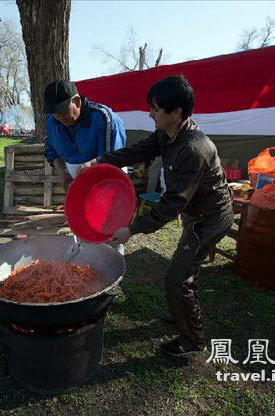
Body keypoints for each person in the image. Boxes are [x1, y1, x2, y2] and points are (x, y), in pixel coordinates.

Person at [81, 75, 234, 359]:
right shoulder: (168, 133)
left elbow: (171, 205)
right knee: (185, 269)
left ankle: (192, 339)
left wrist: (133, 229)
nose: (150, 113)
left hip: (211, 218)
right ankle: (183, 314)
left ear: (175, 112)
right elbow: (138, 150)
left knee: (176, 278)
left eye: (155, 109)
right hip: (195, 214)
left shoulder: (194, 149)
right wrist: (99, 162)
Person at [43, 80, 127, 190]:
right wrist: (62, 171)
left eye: (63, 111)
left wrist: (92, 165)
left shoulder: (104, 118)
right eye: (55, 113)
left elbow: (113, 158)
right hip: (79, 183)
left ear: (77, 102)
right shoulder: (52, 122)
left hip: (110, 182)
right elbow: (51, 151)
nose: (59, 117)